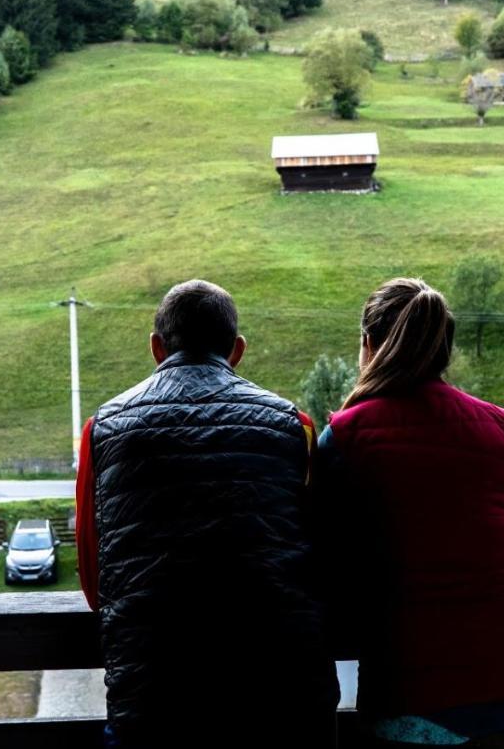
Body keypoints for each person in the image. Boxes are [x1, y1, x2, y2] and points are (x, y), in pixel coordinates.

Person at [76, 279, 339, 749]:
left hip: (155, 700)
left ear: (157, 348)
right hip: (282, 696)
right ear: (236, 350)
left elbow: (96, 581)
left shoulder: (105, 429)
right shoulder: (292, 426)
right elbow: (318, 558)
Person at [315, 277, 504, 748]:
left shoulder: (347, 438)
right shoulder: (502, 430)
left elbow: (332, 561)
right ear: (444, 350)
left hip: (424, 693)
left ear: (368, 345)